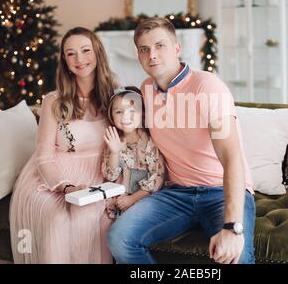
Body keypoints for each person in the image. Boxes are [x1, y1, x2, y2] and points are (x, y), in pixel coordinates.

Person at [108, 17, 255, 264]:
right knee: (119, 239)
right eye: (144, 49)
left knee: (236, 257)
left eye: (159, 46)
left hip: (220, 191)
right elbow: (128, 127)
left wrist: (232, 227)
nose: (152, 55)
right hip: (176, 193)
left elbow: (232, 158)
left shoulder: (207, 87)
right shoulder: (145, 90)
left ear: (177, 48)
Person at [9, 27, 117, 263]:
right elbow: (44, 156)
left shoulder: (114, 97)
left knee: (87, 216)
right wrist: (65, 187)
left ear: (98, 53)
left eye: (85, 50)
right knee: (57, 220)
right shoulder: (53, 101)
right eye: (71, 53)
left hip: (97, 176)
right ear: (65, 61)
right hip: (53, 177)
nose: (79, 59)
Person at [101, 86, 165, 218]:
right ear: (111, 116)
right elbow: (110, 176)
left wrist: (132, 199)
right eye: (119, 112)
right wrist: (114, 152)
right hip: (118, 200)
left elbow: (156, 177)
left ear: (141, 114)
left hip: (143, 199)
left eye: (132, 111)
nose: (125, 116)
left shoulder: (149, 142)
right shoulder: (114, 140)